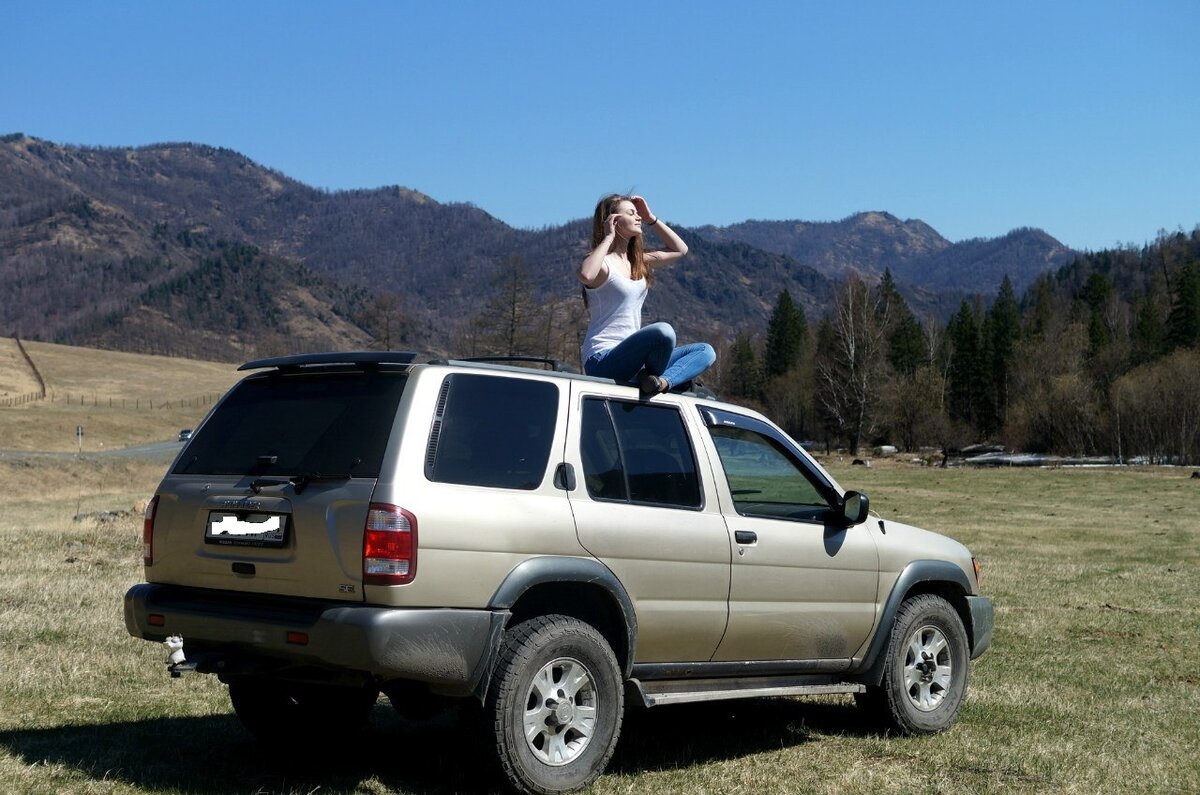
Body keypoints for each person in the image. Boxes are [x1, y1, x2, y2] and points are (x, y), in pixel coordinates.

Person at [578, 194, 716, 395]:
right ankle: (652, 377)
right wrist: (608, 237)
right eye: (631, 213)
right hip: (602, 359)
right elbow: (585, 274)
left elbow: (681, 249)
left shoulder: (639, 262)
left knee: (705, 351)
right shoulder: (602, 263)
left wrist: (651, 217)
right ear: (613, 220)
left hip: (636, 361)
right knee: (664, 332)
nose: (638, 217)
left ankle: (659, 383)